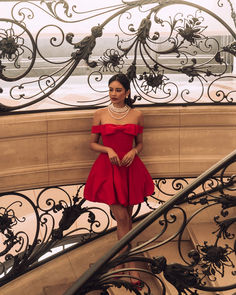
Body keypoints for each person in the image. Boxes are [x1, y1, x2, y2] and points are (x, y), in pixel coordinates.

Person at [83, 73, 154, 287]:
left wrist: (134, 151)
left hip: (130, 169)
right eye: (111, 89)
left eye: (118, 90)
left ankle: (118, 265)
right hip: (108, 170)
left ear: (127, 92)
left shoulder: (137, 114)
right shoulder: (100, 114)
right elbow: (92, 144)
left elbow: (140, 143)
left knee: (127, 221)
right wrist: (108, 149)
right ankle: (130, 265)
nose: (113, 94)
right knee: (123, 219)